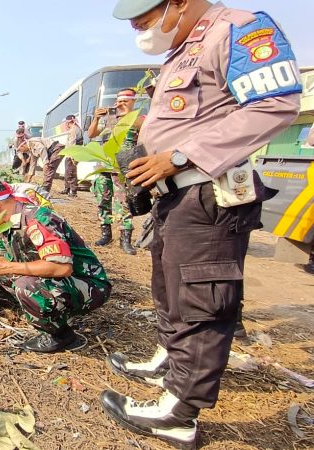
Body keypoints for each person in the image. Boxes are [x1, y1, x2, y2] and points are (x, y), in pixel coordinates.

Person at [101, 1, 301, 448]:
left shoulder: (239, 31)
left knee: (201, 300)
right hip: (174, 195)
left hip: (207, 192)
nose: (138, 31)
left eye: (145, 20)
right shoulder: (181, 49)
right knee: (168, 288)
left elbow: (276, 104)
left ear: (179, 4)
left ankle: (179, 412)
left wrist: (177, 157)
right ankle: (171, 362)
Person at [0, 176, 112, 353]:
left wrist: (8, 267)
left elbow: (62, 268)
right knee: (5, 275)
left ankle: (61, 335)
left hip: (90, 286)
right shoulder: (6, 223)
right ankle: (45, 309)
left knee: (25, 285)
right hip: (65, 282)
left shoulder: (37, 220)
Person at [87, 88, 141, 255]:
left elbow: (144, 128)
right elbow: (91, 134)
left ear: (133, 101)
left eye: (126, 101)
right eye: (119, 101)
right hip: (105, 165)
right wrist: (96, 118)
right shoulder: (110, 118)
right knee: (103, 199)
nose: (121, 104)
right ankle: (106, 234)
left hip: (123, 166)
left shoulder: (138, 118)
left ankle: (125, 239)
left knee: (123, 202)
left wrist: (127, 114)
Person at [57, 115, 82, 196]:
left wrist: (72, 157)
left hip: (72, 155)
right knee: (68, 172)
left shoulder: (74, 130)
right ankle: (67, 188)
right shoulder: (75, 129)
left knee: (71, 173)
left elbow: (72, 144)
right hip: (70, 154)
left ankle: (73, 191)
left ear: (68, 122)